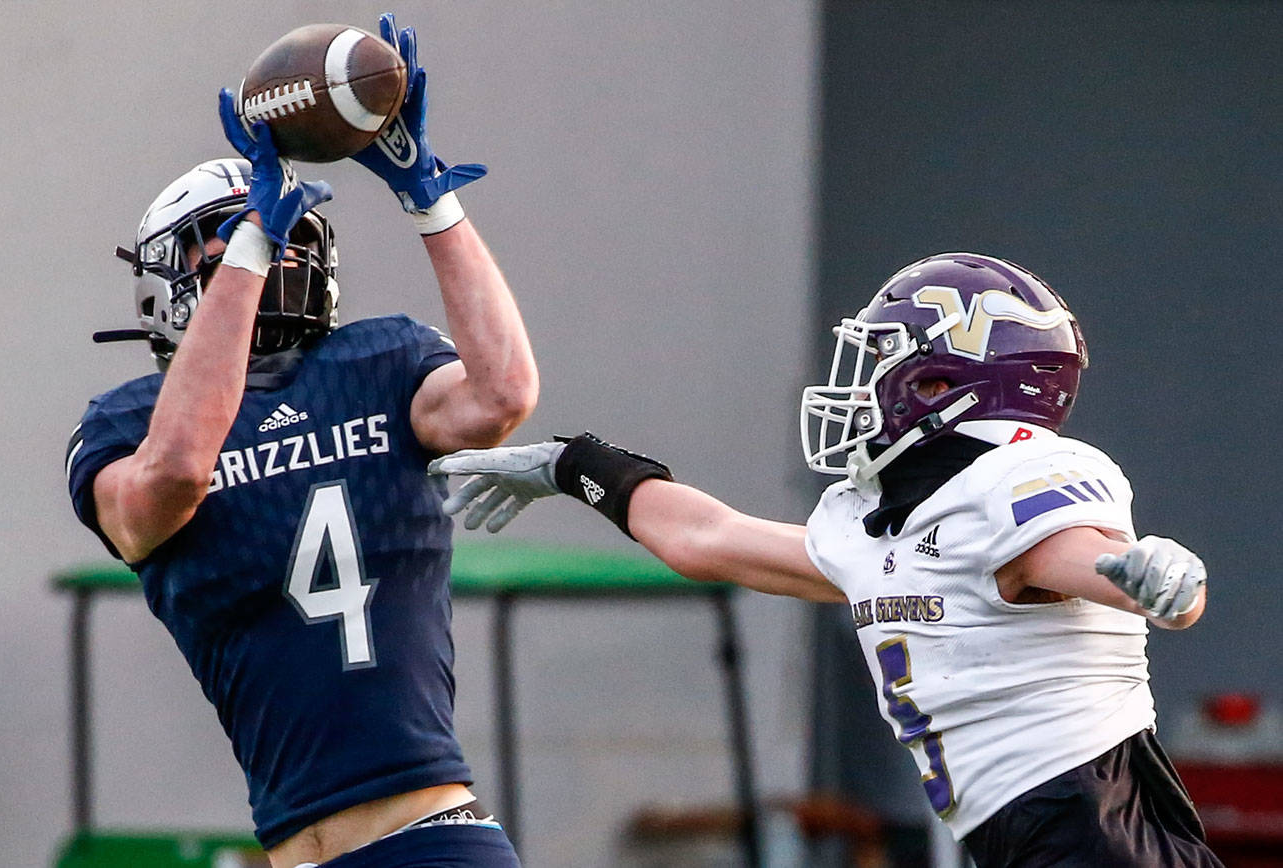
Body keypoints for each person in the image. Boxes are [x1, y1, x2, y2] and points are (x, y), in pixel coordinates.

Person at [427, 252, 1222, 867]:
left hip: (1103, 829)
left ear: (944, 380)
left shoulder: (1013, 480)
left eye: (884, 359)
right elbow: (705, 538)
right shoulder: (874, 525)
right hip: (1026, 836)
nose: (863, 385)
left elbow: (1080, 558)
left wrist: (1155, 581)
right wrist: (577, 466)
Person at [65, 15, 535, 868]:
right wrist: (247, 245)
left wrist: (430, 198)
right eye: (232, 238)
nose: (271, 255)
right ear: (163, 281)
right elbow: (170, 480)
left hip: (430, 840)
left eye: (282, 237)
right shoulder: (131, 422)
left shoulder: (380, 362)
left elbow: (500, 396)